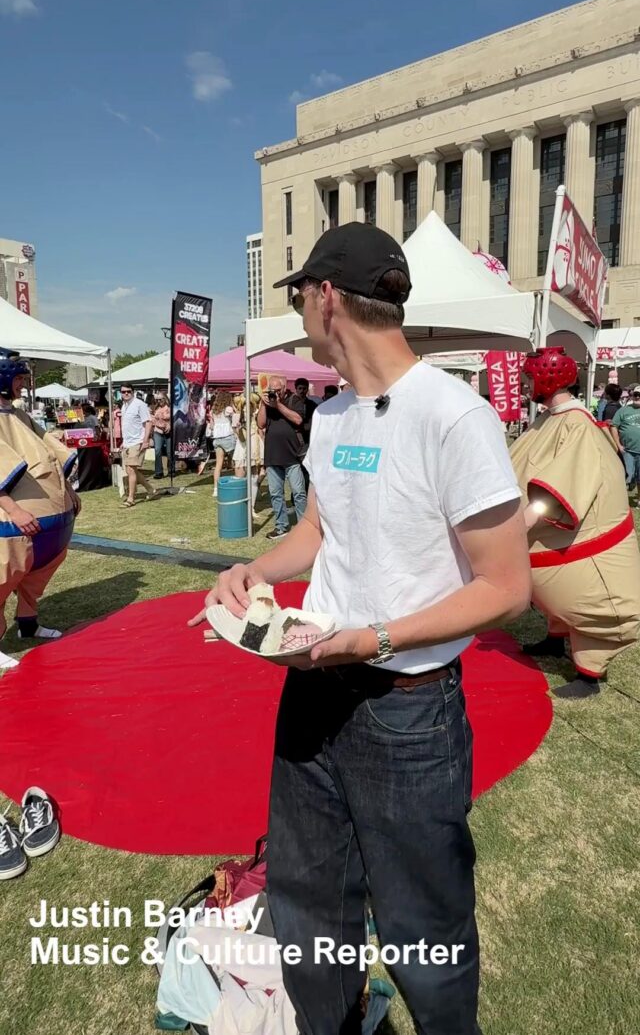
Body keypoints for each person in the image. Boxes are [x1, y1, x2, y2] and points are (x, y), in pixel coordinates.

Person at [189, 221, 531, 1035]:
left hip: (408, 712)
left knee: (425, 931)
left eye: (302, 293)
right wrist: (256, 573)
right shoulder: (334, 415)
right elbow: (319, 530)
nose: (302, 309)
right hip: (314, 693)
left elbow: (507, 586)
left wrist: (372, 639)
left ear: (327, 297)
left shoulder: (455, 417)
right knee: (309, 907)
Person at [510, 347, 640, 699]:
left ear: (547, 379)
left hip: (579, 548)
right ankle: (555, 640)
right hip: (549, 542)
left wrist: (519, 526)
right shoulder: (550, 418)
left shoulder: (576, 425)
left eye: (529, 379)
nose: (524, 386)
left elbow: (560, 487)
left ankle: (589, 675)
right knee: (557, 600)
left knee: (589, 602)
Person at [0, 349, 81, 662]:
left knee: (36, 575)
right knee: (4, 575)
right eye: (19, 377)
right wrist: (14, 509)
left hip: (47, 527)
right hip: (13, 523)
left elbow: (47, 449)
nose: (24, 383)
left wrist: (68, 492)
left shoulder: (16, 413)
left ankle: (28, 625)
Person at [257, 375, 307, 541]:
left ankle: (303, 527)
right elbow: (261, 424)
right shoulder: (267, 402)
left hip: (292, 456)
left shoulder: (294, 400)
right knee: (276, 494)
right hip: (273, 455)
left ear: (285, 388)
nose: (275, 393)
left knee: (299, 493)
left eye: (278, 390)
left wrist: (277, 405)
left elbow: (298, 419)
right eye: (272, 390)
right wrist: (264, 404)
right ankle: (281, 526)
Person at [119, 384, 156, 507]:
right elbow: (127, 425)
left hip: (138, 441)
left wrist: (145, 441)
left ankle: (131, 498)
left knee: (131, 469)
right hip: (127, 442)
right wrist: (123, 442)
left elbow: (148, 423)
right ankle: (150, 489)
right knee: (130, 470)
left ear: (133, 392)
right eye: (123, 392)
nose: (126, 394)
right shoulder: (124, 406)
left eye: (128, 391)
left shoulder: (140, 404)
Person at [232, 391, 264, 510]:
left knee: (255, 477)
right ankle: (239, 506)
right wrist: (239, 429)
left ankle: (251, 507)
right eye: (244, 405)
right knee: (239, 478)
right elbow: (240, 438)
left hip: (255, 445)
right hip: (243, 447)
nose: (246, 408)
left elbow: (260, 431)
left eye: (249, 405)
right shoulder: (237, 417)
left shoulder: (256, 416)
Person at [611, 386, 640, 495]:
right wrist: (618, 445)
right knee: (625, 477)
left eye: (639, 395)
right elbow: (614, 426)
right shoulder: (623, 410)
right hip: (627, 451)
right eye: (635, 394)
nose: (637, 397)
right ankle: (622, 501)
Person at [207, 390, 237, 498]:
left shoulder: (213, 411)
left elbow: (211, 426)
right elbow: (236, 417)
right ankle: (237, 485)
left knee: (218, 465)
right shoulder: (228, 409)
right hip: (228, 437)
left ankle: (215, 489)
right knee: (237, 463)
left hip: (217, 438)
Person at [152, 394, 172, 479]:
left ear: (165, 399)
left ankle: (171, 470)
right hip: (158, 431)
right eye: (157, 400)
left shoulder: (170, 408)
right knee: (157, 450)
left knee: (169, 452)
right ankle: (159, 472)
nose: (159, 401)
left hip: (168, 431)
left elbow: (174, 418)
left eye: (160, 399)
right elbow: (152, 419)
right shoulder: (155, 408)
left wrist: (170, 425)